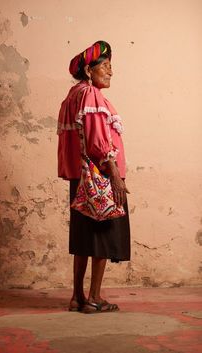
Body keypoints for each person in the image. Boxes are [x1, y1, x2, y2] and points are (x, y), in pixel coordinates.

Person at [57, 40, 131, 313]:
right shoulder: (91, 95)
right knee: (104, 234)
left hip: (81, 178)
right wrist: (115, 174)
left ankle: (77, 297)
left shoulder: (72, 95)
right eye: (106, 66)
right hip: (100, 175)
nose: (111, 72)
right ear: (90, 70)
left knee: (83, 237)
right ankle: (95, 297)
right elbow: (98, 140)